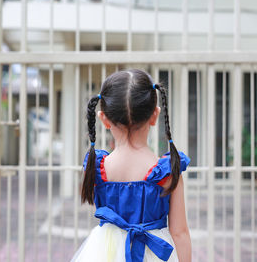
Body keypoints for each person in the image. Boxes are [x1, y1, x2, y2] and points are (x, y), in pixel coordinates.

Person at [71, 69, 191, 262]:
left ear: (104, 119)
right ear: (155, 116)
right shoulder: (167, 171)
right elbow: (180, 233)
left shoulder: (98, 168)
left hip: (105, 253)